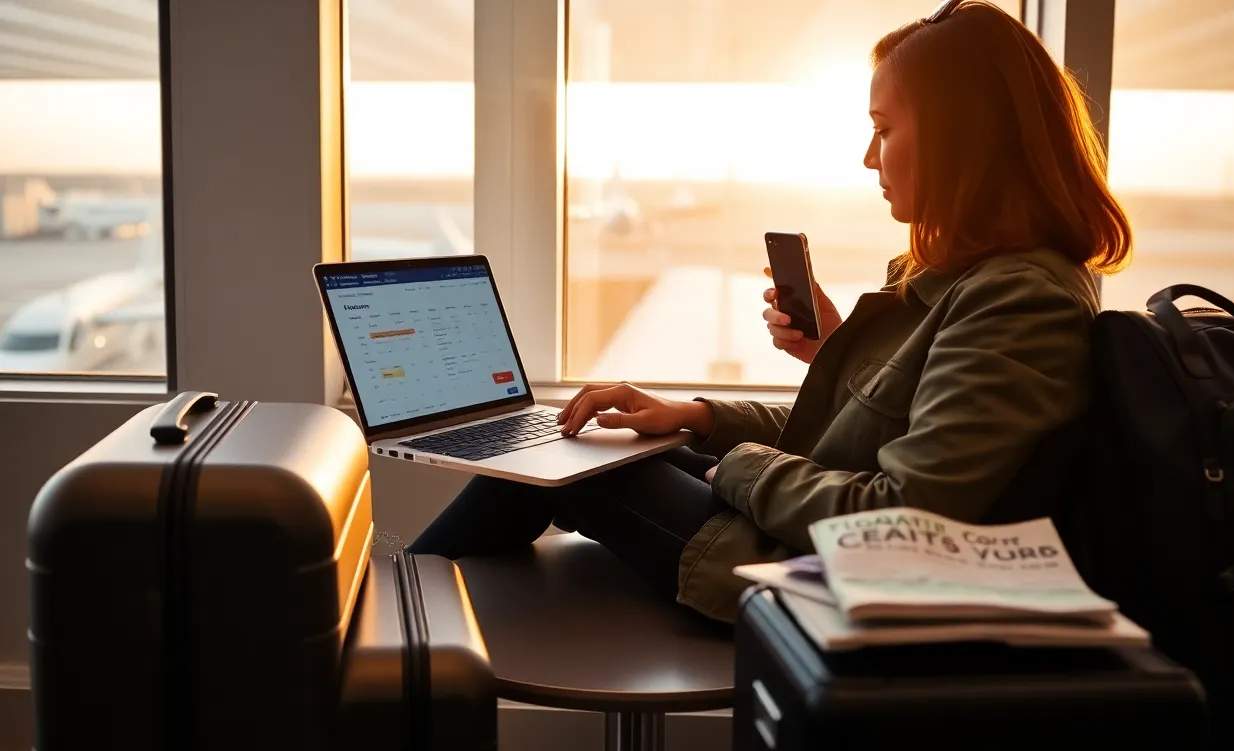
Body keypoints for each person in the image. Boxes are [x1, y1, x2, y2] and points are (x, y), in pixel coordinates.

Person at [407, 0, 1131, 623]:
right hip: (796, 537)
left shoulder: (1020, 299)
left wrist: (737, 465)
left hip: (807, 578)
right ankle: (391, 626)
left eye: (884, 129)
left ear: (962, 138)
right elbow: (855, 439)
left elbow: (906, 520)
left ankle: (376, 631)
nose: (868, 158)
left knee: (578, 465)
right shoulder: (955, 276)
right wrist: (695, 417)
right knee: (588, 445)